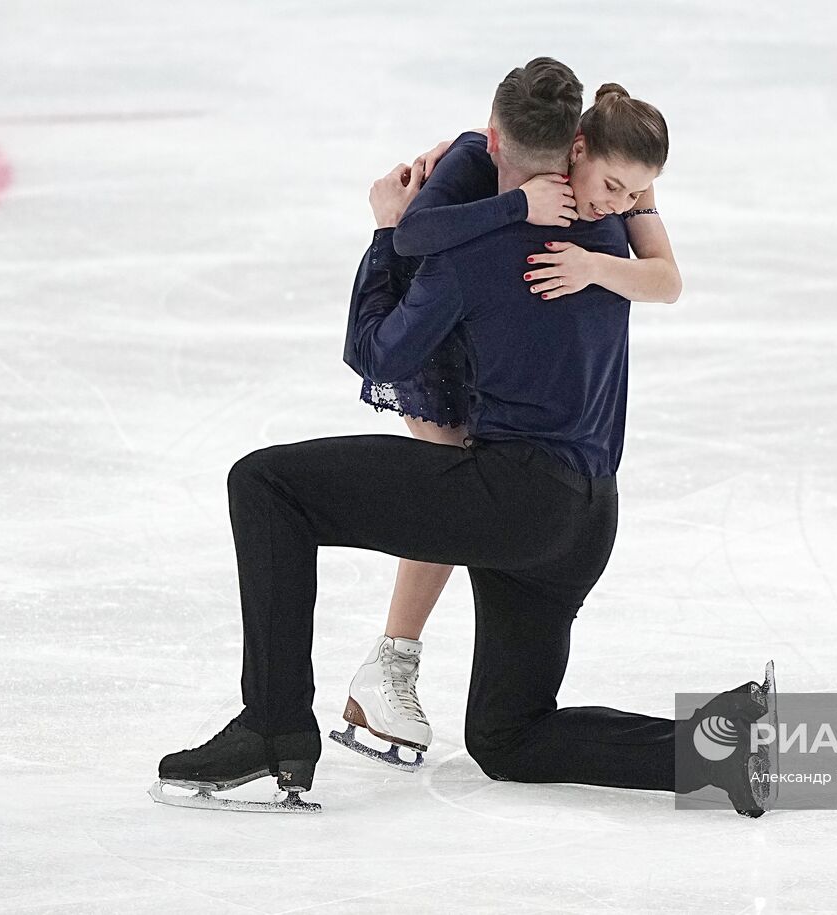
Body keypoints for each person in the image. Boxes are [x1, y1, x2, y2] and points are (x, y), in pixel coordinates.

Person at [153, 58, 773, 817]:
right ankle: (724, 746)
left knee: (266, 484)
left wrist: (386, 231)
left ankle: (272, 725)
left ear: (493, 139)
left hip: (512, 498)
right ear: (577, 149)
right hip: (585, 521)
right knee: (510, 736)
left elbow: (377, 353)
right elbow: (664, 269)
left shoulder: (474, 251)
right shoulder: (616, 229)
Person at [341, 68, 682, 764]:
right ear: (576, 150)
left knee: (505, 729)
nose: (617, 202)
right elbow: (413, 239)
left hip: (530, 421)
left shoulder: (613, 203)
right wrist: (514, 207)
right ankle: (392, 661)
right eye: (612, 188)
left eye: (633, 193)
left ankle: (390, 664)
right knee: (447, 471)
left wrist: (594, 265)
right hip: (443, 319)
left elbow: (668, 279)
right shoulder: (480, 160)